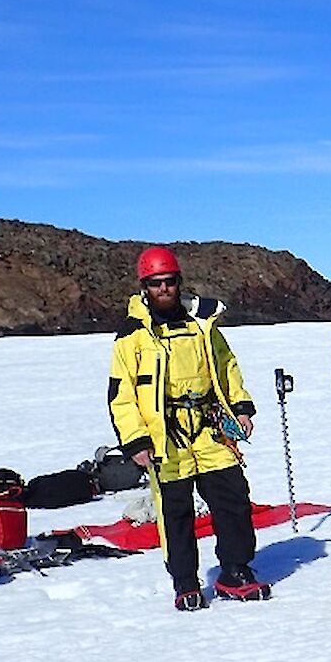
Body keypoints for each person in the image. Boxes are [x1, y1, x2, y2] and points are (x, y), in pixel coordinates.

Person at [107, 246, 272, 610]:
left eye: (169, 282)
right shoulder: (132, 336)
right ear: (144, 287)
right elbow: (122, 396)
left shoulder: (202, 326)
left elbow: (227, 366)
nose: (163, 289)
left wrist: (240, 407)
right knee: (175, 512)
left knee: (233, 500)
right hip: (165, 436)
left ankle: (235, 571)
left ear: (179, 283)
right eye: (155, 284)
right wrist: (135, 441)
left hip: (209, 428)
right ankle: (185, 581)